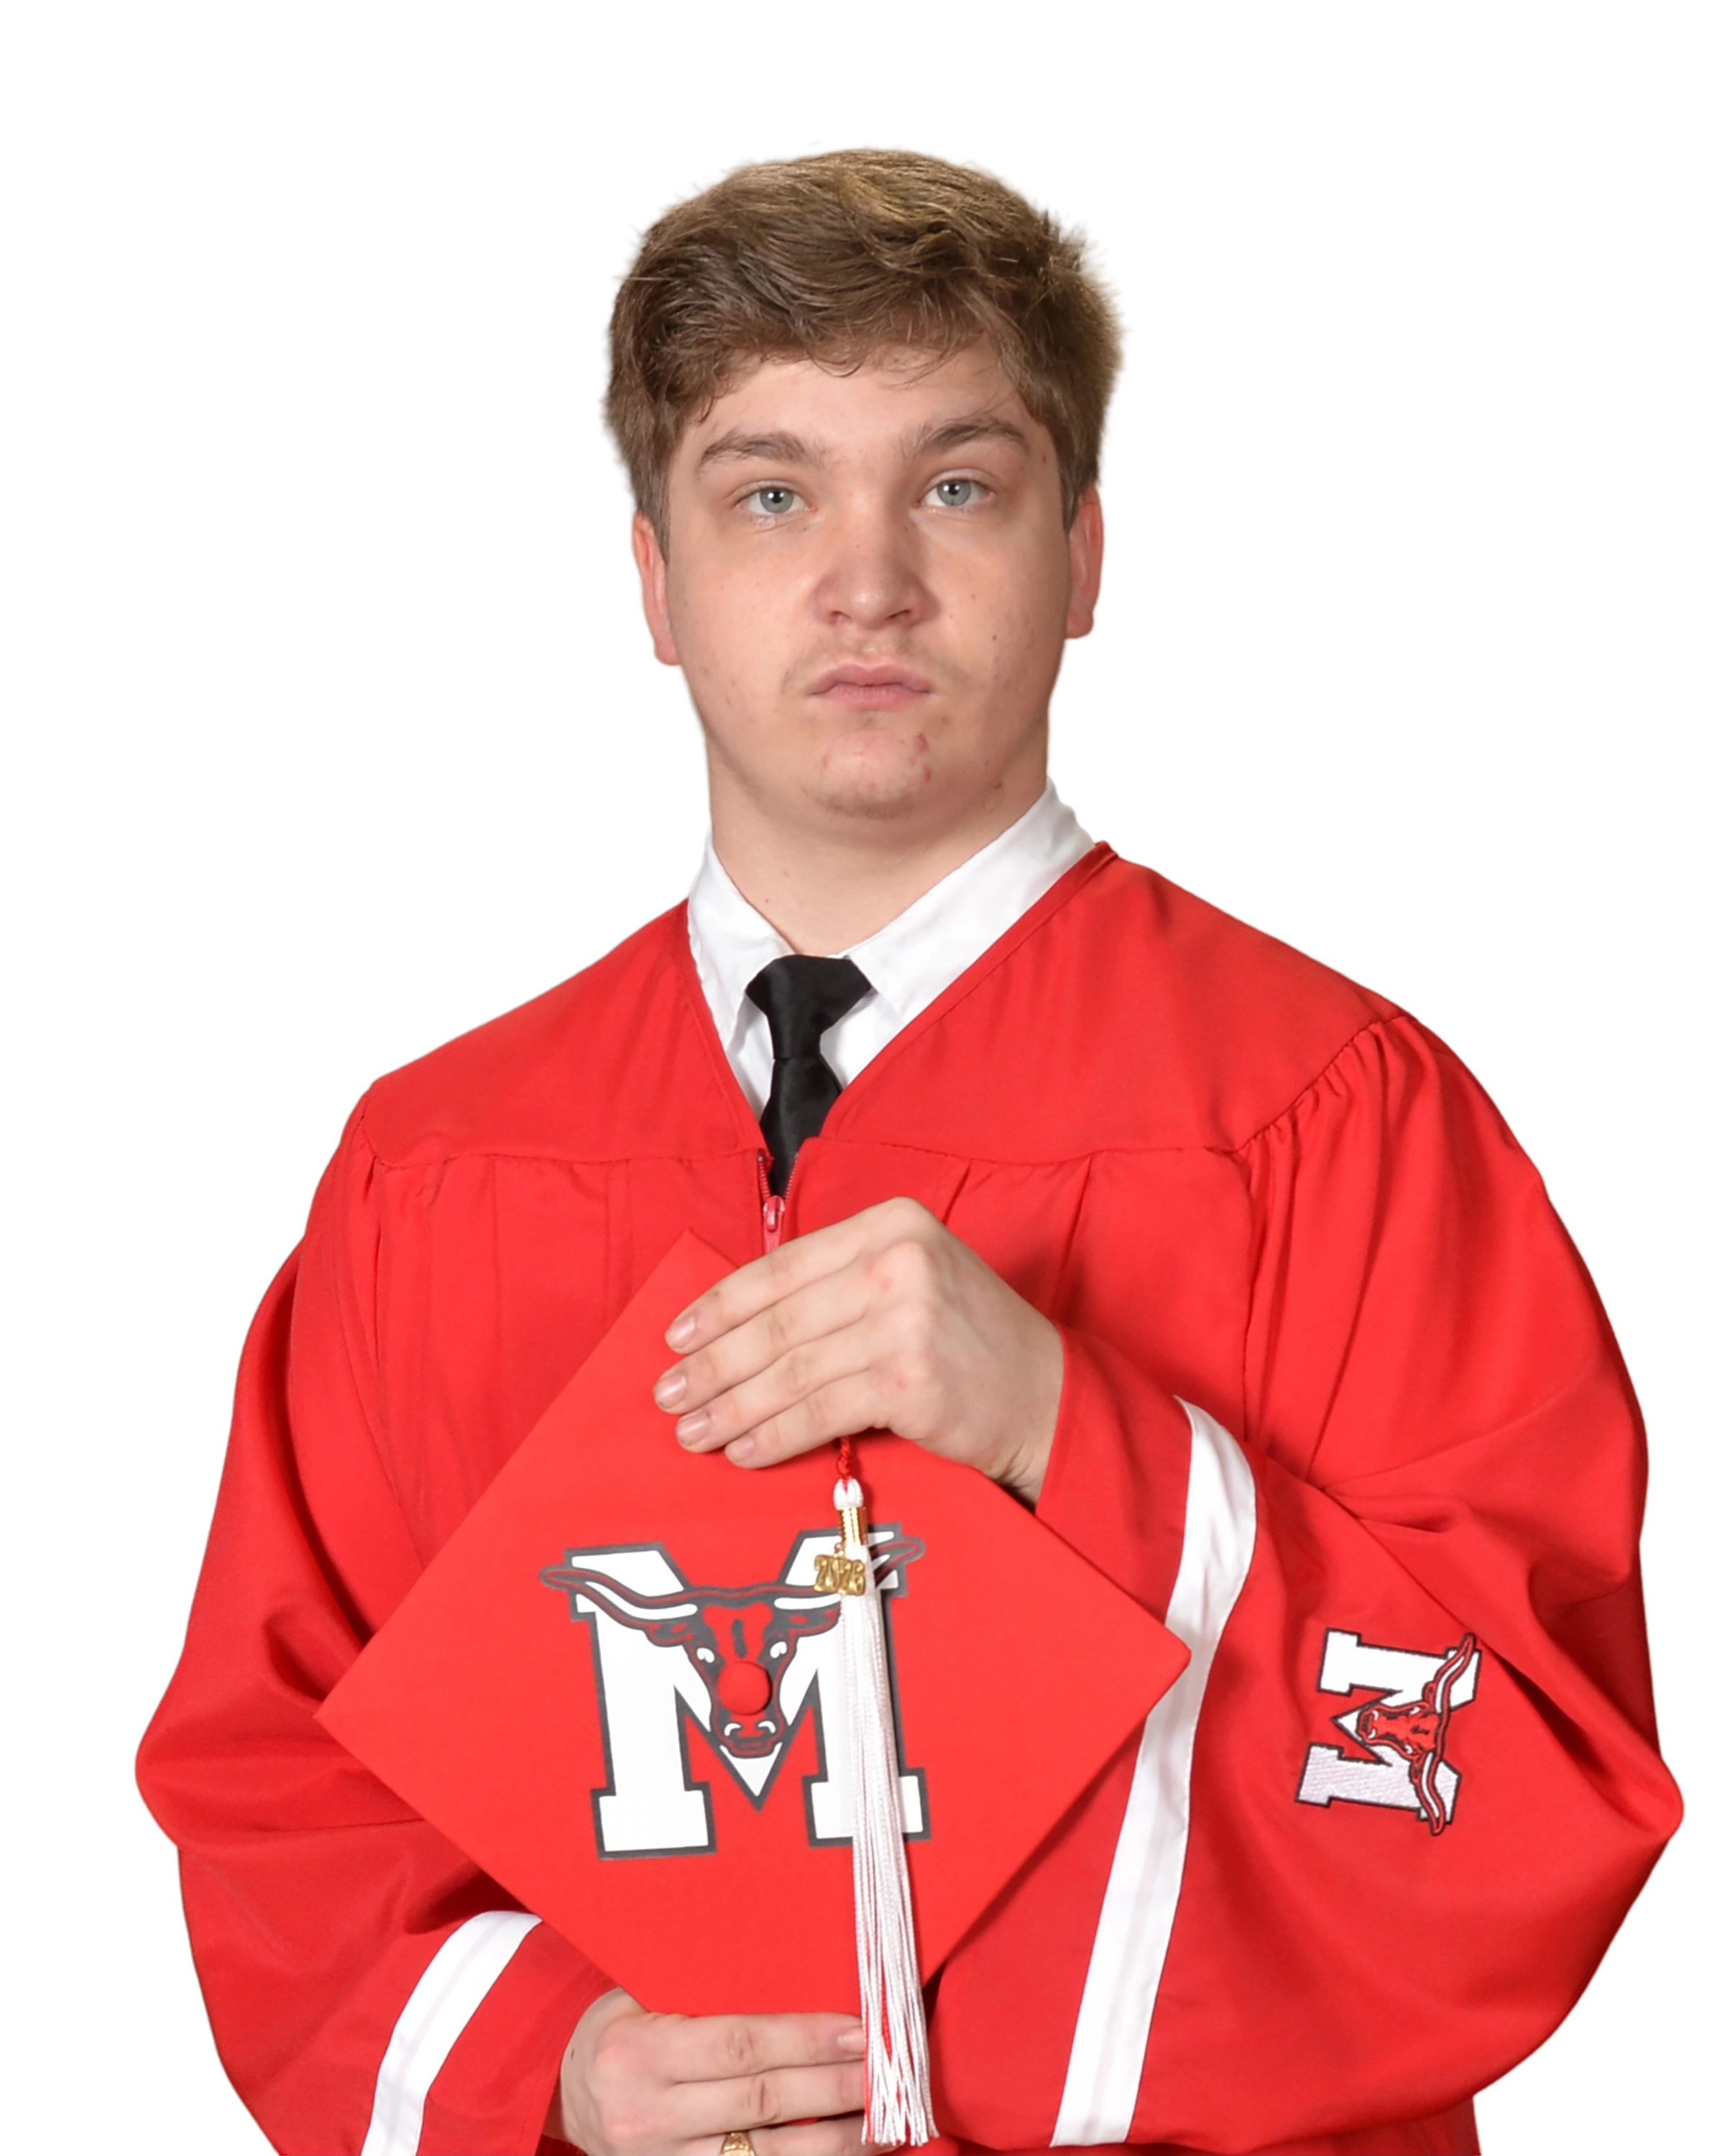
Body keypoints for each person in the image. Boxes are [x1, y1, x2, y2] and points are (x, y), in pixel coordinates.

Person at [134, 141, 1682, 2156]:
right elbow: (281, 1785)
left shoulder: (1332, 1116)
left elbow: (1535, 1787)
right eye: (770, 493)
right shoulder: (435, 1167)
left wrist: (1069, 1428)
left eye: (957, 486)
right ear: (652, 581)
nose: (867, 582)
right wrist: (554, 2067)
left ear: (1088, 556)